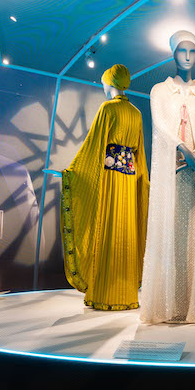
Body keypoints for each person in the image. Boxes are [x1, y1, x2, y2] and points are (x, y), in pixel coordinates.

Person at [140, 31, 195, 324]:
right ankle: (166, 305)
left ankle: (192, 307)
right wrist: (181, 147)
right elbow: (160, 125)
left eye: (192, 50)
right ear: (173, 54)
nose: (187, 56)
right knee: (169, 231)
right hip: (171, 172)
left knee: (194, 234)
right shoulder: (160, 91)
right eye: (182, 50)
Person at [61, 64, 150, 310]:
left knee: (108, 229)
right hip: (129, 179)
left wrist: (73, 171)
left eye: (104, 82)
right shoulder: (136, 113)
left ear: (110, 82)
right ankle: (126, 294)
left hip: (111, 179)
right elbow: (139, 152)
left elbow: (94, 145)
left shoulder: (107, 109)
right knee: (125, 231)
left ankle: (106, 294)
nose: (103, 86)